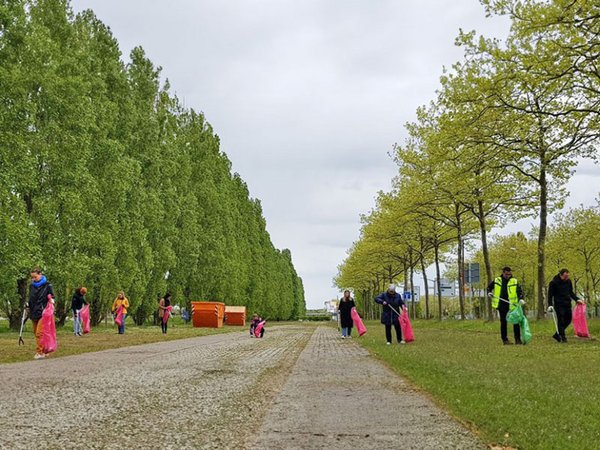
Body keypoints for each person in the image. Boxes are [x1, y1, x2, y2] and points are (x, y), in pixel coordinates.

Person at [487, 267, 525, 345]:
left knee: (516, 322)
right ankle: (505, 340)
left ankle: (517, 340)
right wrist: (489, 292)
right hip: (502, 304)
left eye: (510, 274)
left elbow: (519, 291)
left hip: (512, 305)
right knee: (503, 322)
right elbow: (489, 287)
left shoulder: (514, 281)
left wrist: (521, 298)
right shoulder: (497, 280)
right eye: (507, 274)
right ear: (503, 273)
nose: (508, 276)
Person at [547, 269, 584, 343]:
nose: (567, 277)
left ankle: (557, 334)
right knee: (561, 320)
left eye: (568, 276)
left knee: (568, 319)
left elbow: (570, 292)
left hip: (567, 303)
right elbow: (550, 295)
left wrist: (577, 299)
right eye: (565, 276)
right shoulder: (553, 283)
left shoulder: (568, 281)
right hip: (559, 304)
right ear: (561, 275)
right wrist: (550, 305)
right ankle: (562, 337)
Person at [28, 267, 55, 360]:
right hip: (33, 312)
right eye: (32, 277)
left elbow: (52, 296)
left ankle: (40, 352)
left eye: (35, 277)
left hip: (43, 312)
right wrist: (27, 304)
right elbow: (31, 298)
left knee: (39, 333)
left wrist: (51, 301)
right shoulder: (31, 286)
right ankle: (45, 349)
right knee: (36, 333)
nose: (33, 279)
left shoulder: (48, 285)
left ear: (40, 274)